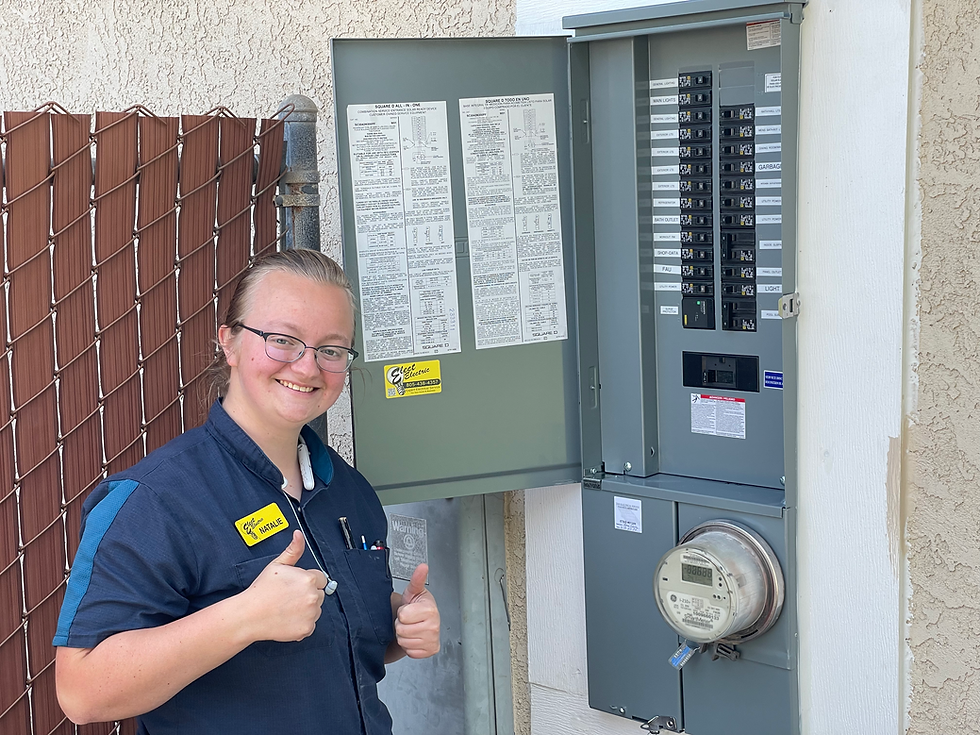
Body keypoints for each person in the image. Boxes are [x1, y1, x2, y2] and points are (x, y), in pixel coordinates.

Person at [53, 248, 440, 734]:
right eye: (282, 340)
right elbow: (82, 692)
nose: (307, 367)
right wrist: (244, 618)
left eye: (331, 349)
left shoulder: (351, 493)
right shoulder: (152, 501)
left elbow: (346, 649)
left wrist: (400, 627)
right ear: (229, 343)